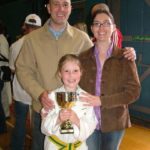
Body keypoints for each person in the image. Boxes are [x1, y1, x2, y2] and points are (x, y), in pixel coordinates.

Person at [16, 0, 136, 149]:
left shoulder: (82, 38)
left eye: (65, 4)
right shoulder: (32, 39)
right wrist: (39, 93)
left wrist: (127, 52)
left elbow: (102, 55)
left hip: (76, 115)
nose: (61, 9)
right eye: (56, 4)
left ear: (71, 8)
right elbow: (22, 69)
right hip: (46, 110)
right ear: (48, 7)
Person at [78, 10, 141, 150]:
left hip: (115, 122)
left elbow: (134, 92)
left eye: (106, 23)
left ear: (113, 27)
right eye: (97, 24)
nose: (101, 28)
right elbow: (73, 87)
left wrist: (102, 101)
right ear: (92, 28)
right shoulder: (82, 58)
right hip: (88, 122)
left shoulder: (125, 57)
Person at [41, 54, 97, 150]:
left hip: (78, 147)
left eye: (75, 71)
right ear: (60, 74)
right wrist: (58, 119)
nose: (71, 75)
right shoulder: (51, 97)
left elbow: (91, 125)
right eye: (66, 71)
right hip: (54, 146)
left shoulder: (86, 98)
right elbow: (44, 128)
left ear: (81, 73)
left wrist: (77, 121)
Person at [9, 14, 42, 150]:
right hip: (37, 93)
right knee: (39, 128)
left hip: (21, 92)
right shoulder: (43, 45)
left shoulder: (16, 45)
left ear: (25, 27)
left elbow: (12, 69)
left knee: (20, 124)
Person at [0, 19, 12, 119]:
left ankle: (6, 114)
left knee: (4, 93)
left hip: (2, 68)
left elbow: (5, 55)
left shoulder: (1, 38)